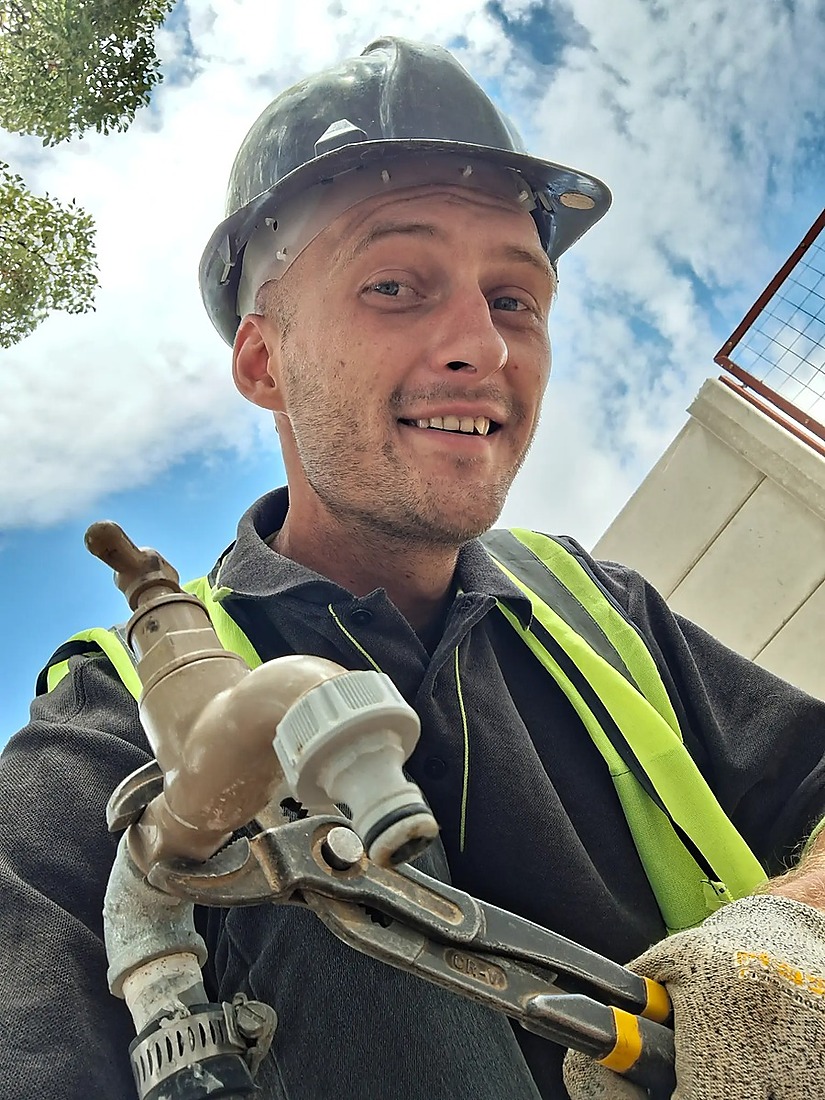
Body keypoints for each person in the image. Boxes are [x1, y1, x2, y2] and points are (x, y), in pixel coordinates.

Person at [1, 36, 824, 1100]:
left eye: (516, 299)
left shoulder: (595, 606)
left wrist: (792, 932)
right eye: (395, 283)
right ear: (264, 360)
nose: (482, 344)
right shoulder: (112, 725)